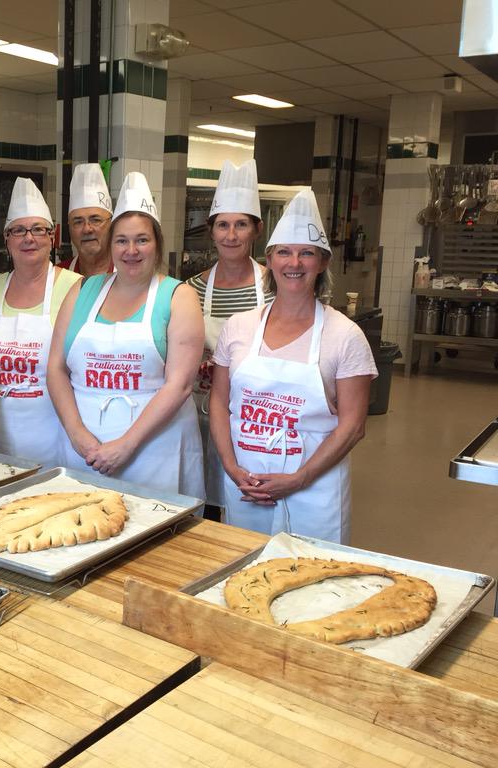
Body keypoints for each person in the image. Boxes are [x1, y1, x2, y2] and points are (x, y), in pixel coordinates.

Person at [208, 187, 376, 544]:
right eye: (284, 252)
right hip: (246, 484)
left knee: (314, 583)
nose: (294, 263)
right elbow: (219, 404)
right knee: (241, 571)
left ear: (323, 262)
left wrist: (300, 478)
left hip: (313, 491)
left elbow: (353, 426)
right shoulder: (239, 327)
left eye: (307, 254)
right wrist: (231, 467)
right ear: (269, 259)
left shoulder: (345, 336)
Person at [48, 172, 205, 498]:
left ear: (157, 243)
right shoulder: (82, 290)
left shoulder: (178, 296)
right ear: (111, 244)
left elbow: (179, 385)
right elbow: (56, 368)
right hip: (84, 453)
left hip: (155, 452)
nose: (131, 250)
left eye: (142, 240)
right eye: (122, 240)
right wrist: (77, 434)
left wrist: (126, 445)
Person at [0, 178, 81, 466]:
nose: (28, 238)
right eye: (18, 230)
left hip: (53, 436)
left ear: (52, 237)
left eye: (38, 230)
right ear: (6, 240)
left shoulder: (76, 287)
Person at [186, 160, 270, 513]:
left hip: (253, 416)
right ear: (212, 230)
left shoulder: (274, 287)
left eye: (240, 225)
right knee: (202, 500)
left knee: (247, 502)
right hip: (198, 413)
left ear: (256, 230)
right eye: (223, 225)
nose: (231, 235)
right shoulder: (191, 289)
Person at [58, 163, 114, 276]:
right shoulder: (57, 278)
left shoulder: (130, 276)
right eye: (78, 222)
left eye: (96, 220)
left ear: (112, 224)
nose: (87, 229)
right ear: (69, 228)